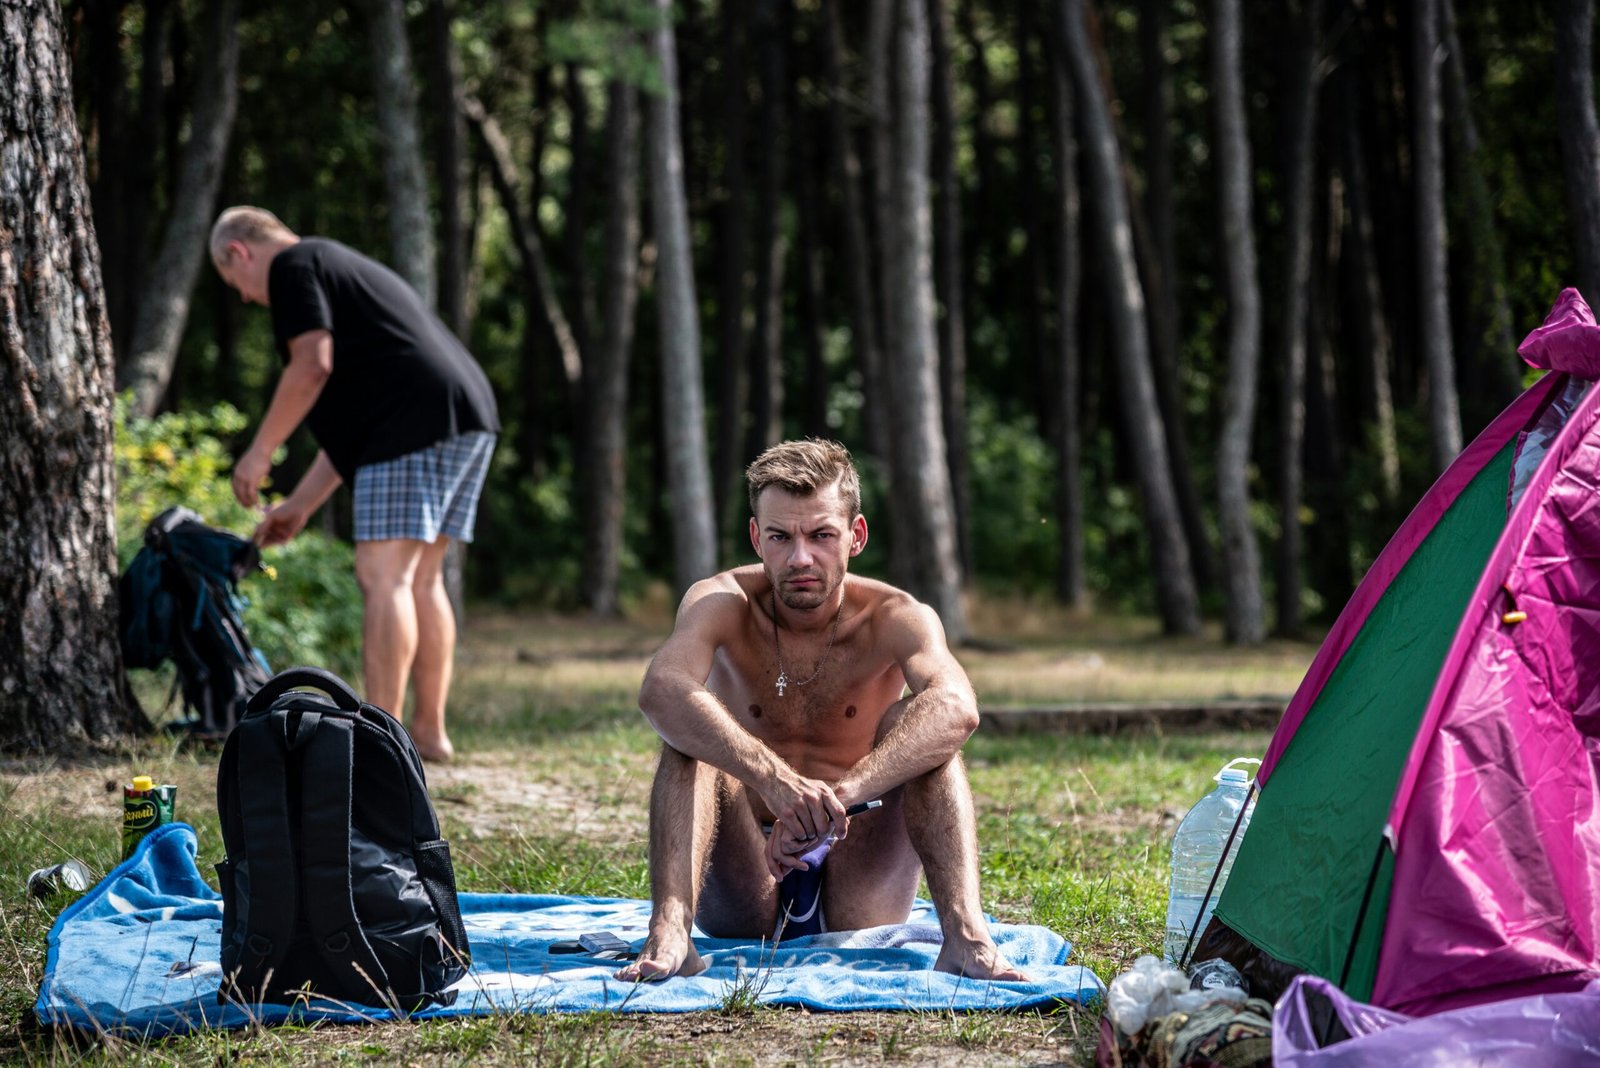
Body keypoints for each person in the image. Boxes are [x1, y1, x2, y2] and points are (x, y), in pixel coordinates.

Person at [616, 439, 1026, 983]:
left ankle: (968, 938)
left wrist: (835, 800)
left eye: (821, 535)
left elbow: (957, 707)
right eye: (781, 537)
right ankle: (671, 931)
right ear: (757, 537)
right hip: (747, 879)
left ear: (854, 537)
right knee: (689, 732)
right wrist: (775, 781)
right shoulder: (721, 601)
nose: (800, 557)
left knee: (922, 728)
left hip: (860, 877)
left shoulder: (896, 614)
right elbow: (660, 688)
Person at [210, 206, 499, 762]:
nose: (246, 297)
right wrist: (298, 505)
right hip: (464, 410)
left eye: (234, 283)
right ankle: (430, 734)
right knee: (421, 579)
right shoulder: (335, 267)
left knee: (382, 575)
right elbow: (352, 433)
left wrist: (258, 452)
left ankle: (380, 745)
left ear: (240, 253)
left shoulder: (294, 266)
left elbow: (311, 365)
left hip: (413, 418)